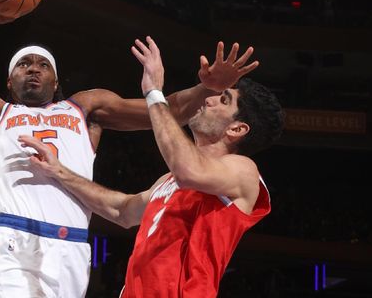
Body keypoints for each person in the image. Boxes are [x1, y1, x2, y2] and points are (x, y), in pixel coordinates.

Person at [0, 0, 259, 297]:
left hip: (73, 250)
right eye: (23, 64)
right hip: (13, 239)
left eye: (43, 65)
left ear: (57, 81)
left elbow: (171, 111)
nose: (33, 69)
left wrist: (205, 89)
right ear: (9, 81)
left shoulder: (85, 108)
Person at [20, 36, 284, 297]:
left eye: (223, 100)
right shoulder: (169, 181)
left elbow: (188, 169)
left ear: (237, 129)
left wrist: (154, 92)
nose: (209, 99)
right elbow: (121, 210)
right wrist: (59, 171)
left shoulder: (243, 171)